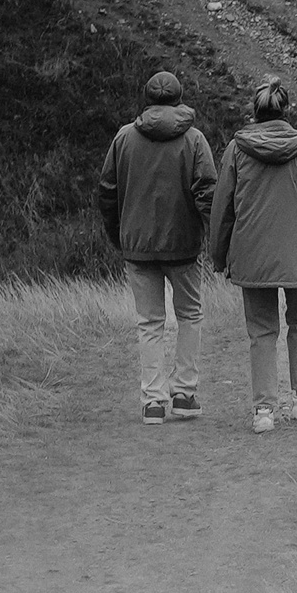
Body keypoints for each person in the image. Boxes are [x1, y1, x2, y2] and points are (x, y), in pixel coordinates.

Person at [207, 76, 297, 433]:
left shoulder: (236, 149)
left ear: (255, 111)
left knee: (262, 331)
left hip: (252, 255)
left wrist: (219, 254)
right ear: (286, 110)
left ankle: (263, 411)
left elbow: (222, 209)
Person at [95, 68, 217, 424]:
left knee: (149, 323)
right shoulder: (194, 139)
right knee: (189, 315)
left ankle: (153, 402)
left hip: (137, 246)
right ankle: (184, 394)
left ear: (147, 100)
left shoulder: (123, 138)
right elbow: (207, 194)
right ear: (179, 99)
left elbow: (107, 192)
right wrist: (215, 236)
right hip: (183, 246)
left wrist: (119, 235)